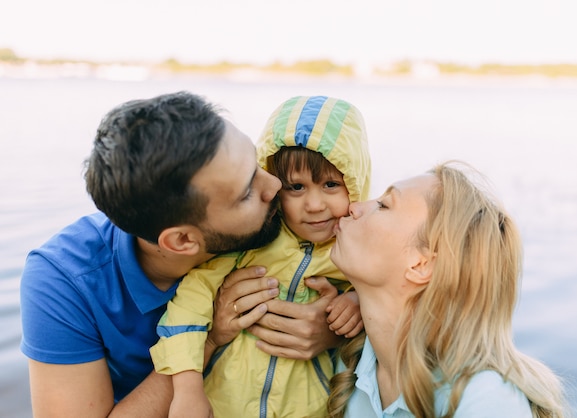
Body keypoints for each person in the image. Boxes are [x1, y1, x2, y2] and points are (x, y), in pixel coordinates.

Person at [19, 91, 345, 418]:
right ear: (183, 241)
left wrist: (336, 329)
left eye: (256, 162)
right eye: (247, 192)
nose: (275, 185)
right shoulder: (62, 280)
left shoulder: (278, 222)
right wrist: (209, 338)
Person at [149, 95, 371, 418]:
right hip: (223, 405)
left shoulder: (361, 249)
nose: (314, 204)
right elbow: (189, 304)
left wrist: (357, 303)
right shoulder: (253, 239)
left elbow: (394, 291)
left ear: (355, 182)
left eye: (330, 184)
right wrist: (187, 390)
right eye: (296, 187)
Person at [327, 161, 569, 418]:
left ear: (421, 264)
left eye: (384, 205)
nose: (353, 207)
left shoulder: (486, 399)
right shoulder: (350, 362)